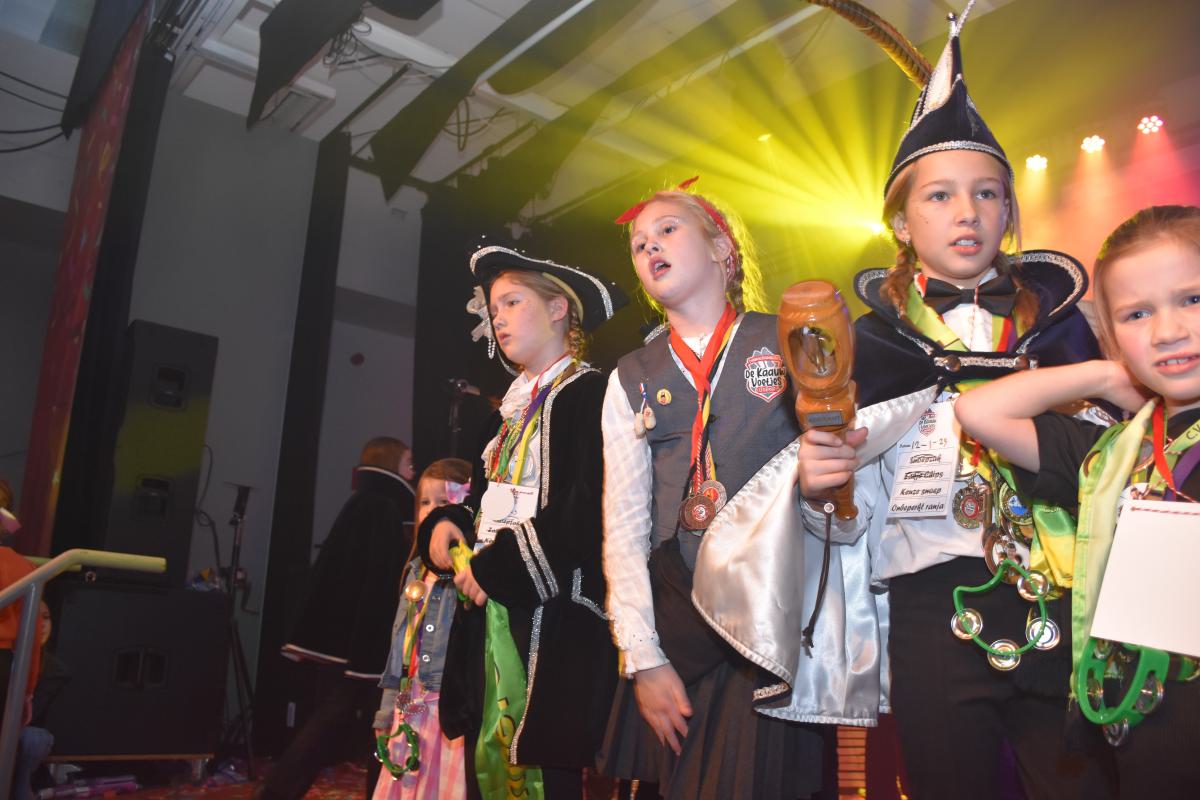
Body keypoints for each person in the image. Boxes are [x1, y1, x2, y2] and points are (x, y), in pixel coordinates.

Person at [796, 6, 1114, 798]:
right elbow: (845, 515)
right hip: (930, 601)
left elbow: (1110, 465)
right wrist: (821, 488)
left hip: (1060, 589)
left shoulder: (1067, 333)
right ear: (902, 223)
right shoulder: (868, 347)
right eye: (939, 196)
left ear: (1009, 213)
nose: (967, 212)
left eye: (986, 194)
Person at [599, 178, 881, 799]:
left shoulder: (788, 336)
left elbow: (846, 482)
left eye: (667, 229)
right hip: (682, 623)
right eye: (639, 244)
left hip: (772, 617)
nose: (650, 246)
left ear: (722, 248)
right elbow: (623, 527)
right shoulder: (631, 375)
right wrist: (645, 659)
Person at [956, 204, 1200, 798]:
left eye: (1192, 299)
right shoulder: (1111, 455)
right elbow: (979, 410)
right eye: (1137, 314)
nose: (1168, 331)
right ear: (1112, 335)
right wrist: (1102, 375)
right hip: (1145, 731)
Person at [418, 244, 628, 799]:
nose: (499, 318)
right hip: (489, 612)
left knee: (544, 770)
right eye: (494, 308)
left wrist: (496, 569)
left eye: (512, 302)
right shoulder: (502, 415)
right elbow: (484, 500)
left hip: (554, 622)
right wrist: (448, 523)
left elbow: (590, 505)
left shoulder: (592, 394)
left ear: (559, 309)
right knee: (485, 767)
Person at [261, 436, 416, 800]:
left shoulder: (363, 503)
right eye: (408, 463)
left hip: (341, 639)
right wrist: (375, 643)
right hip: (359, 643)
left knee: (339, 719)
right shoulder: (383, 508)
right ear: (392, 464)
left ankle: (279, 791)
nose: (413, 470)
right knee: (365, 721)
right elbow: (380, 580)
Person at [372, 457, 472, 800]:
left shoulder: (469, 574)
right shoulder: (415, 571)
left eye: (444, 502)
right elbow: (399, 646)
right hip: (411, 705)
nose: (432, 511)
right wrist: (386, 711)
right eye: (425, 502)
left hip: (450, 711)